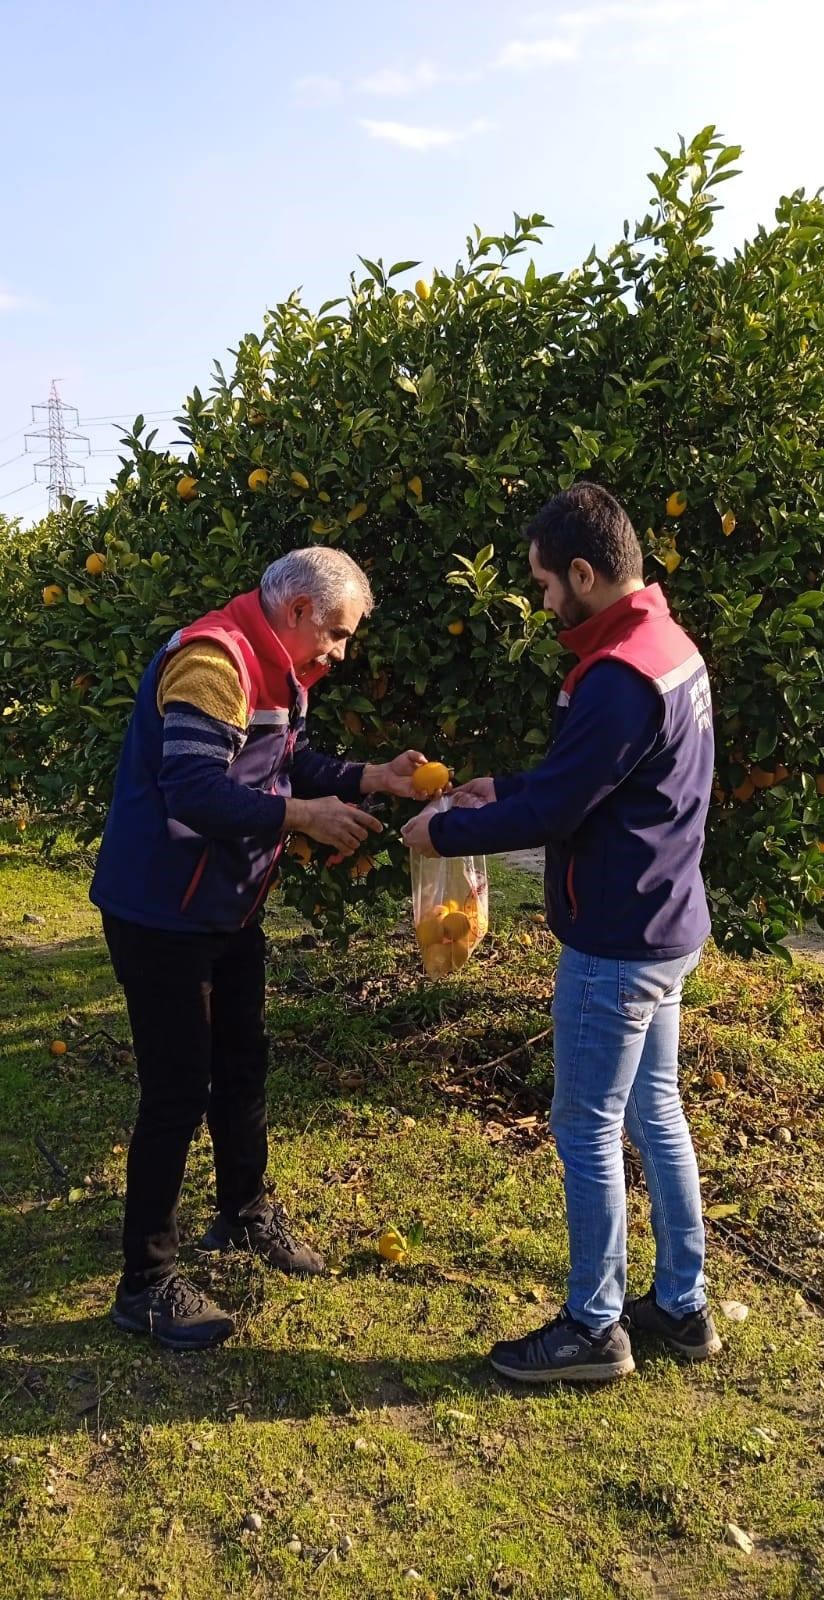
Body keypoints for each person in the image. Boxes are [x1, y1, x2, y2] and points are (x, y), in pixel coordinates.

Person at [402, 483, 721, 1383]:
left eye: (546, 584)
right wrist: (496, 788)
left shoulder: (619, 678)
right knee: (655, 1110)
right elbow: (586, 776)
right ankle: (685, 1306)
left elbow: (567, 800)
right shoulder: (666, 648)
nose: (544, 603)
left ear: (586, 572)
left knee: (584, 1125)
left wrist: (446, 830)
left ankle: (593, 1325)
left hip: (618, 938)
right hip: (667, 921)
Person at [91, 546, 426, 1350]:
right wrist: (302, 818)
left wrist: (367, 776)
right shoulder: (213, 660)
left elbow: (280, 758)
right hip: (161, 911)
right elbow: (194, 788)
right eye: (338, 635)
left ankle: (242, 1213)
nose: (340, 654)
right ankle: (145, 1283)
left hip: (225, 908)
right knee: (176, 1090)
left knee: (241, 1060)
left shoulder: (279, 670)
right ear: (301, 611)